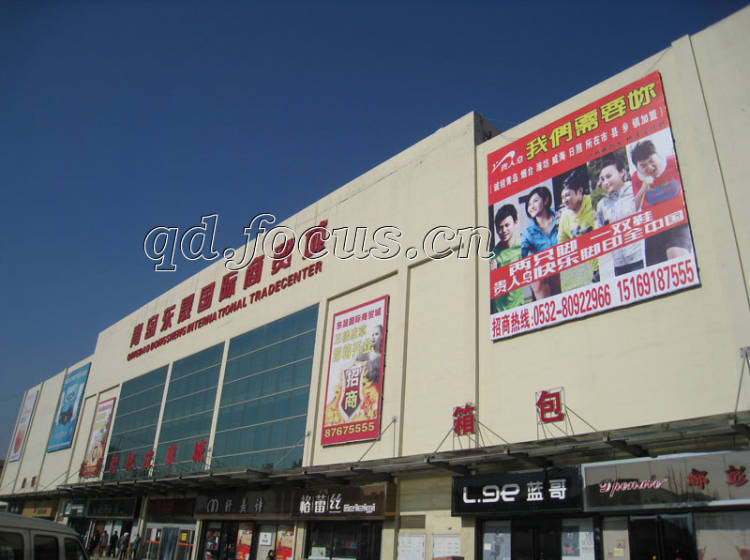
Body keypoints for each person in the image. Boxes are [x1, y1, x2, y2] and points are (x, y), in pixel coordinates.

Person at [630, 139, 693, 265]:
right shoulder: (636, 179)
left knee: (675, 256)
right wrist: (643, 188)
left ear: (657, 156)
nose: (649, 167)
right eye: (643, 166)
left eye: (651, 161)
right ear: (637, 168)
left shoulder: (673, 162)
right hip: (654, 229)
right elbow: (634, 208)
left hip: (678, 222)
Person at [594, 154, 644, 276]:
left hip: (640, 259)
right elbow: (600, 234)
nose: (605, 182)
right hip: (619, 267)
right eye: (602, 179)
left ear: (622, 172)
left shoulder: (636, 190)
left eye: (608, 176)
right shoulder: (602, 205)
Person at [558, 168, 599, 287]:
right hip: (591, 269)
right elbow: (562, 245)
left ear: (580, 191)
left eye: (567, 195)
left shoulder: (592, 203)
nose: (564, 201)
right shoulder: (565, 217)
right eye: (562, 197)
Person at [521, 185, 561, 299]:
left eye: (535, 201)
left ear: (546, 200)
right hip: (541, 276)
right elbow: (521, 254)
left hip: (558, 268)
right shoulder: (528, 232)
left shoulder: (560, 217)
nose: (531, 207)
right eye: (529, 204)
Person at [490, 204, 524, 312]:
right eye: (500, 227)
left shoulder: (523, 246)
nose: (504, 230)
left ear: (515, 223)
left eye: (507, 225)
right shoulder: (493, 255)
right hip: (499, 313)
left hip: (520, 310)